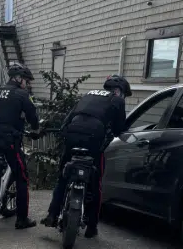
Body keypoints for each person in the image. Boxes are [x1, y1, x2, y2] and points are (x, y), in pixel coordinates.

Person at [41, 75, 131, 238]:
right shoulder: (117, 100)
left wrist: (64, 134)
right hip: (94, 138)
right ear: (119, 91)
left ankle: (52, 214)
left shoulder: (89, 95)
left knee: (63, 176)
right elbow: (119, 129)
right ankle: (91, 226)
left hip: (72, 134)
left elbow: (68, 118)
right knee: (96, 182)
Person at [0, 63, 40, 229]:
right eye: (26, 81)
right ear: (18, 78)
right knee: (22, 177)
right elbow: (32, 116)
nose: (27, 84)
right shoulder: (22, 94)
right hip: (9, 141)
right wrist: (35, 128)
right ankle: (22, 219)